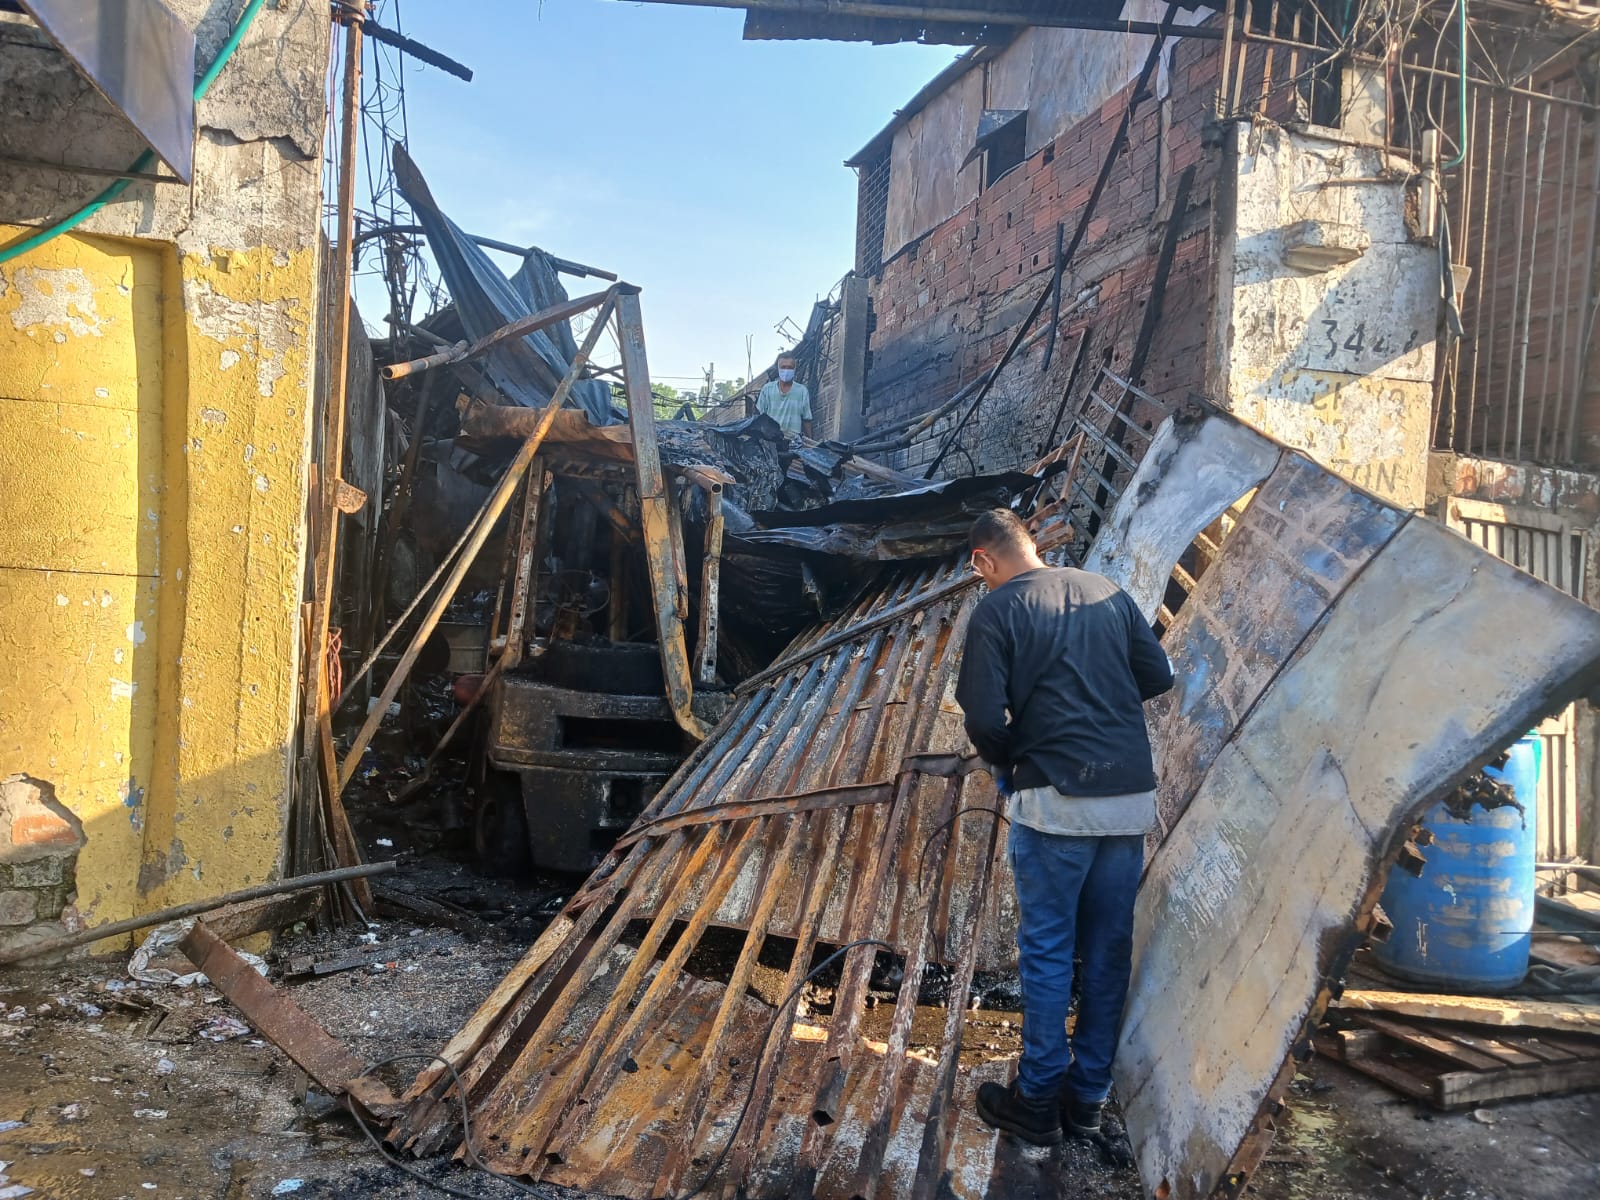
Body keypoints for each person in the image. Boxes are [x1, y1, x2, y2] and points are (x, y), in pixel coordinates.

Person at [954, 508, 1174, 1147]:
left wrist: (1008, 761)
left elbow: (981, 716)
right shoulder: (1107, 592)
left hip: (1055, 798)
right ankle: (1088, 1100)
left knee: (1049, 948)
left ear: (983, 561)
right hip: (1129, 797)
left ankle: (1039, 1099)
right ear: (1033, 545)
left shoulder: (996, 611)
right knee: (1107, 949)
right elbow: (1156, 677)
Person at [755, 354, 812, 437]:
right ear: (778, 369)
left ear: (794, 369)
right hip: (771, 441)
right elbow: (760, 417)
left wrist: (811, 444)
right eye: (783, 367)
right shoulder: (767, 389)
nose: (786, 370)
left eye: (790, 367)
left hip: (793, 443)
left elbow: (807, 419)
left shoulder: (802, 391)